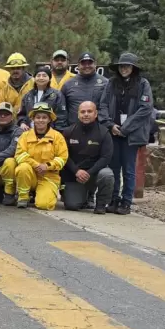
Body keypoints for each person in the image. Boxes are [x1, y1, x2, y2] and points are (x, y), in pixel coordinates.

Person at [99, 53, 154, 215]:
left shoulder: (143, 84)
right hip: (113, 131)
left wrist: (126, 128)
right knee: (114, 167)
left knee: (129, 169)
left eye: (128, 66)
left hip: (132, 135)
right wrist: (110, 125)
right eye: (122, 66)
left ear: (133, 68)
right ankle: (114, 199)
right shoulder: (111, 83)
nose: (124, 69)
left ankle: (126, 201)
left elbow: (145, 109)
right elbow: (102, 105)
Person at [14, 103, 69, 210]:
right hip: (31, 174)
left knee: (44, 205)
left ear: (49, 120)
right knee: (22, 167)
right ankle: (23, 197)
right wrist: (37, 165)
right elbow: (20, 155)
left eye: (44, 117)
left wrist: (47, 166)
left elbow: (62, 158)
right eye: (38, 117)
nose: (41, 120)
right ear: (33, 119)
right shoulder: (25, 136)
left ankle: (38, 195)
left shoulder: (57, 137)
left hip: (49, 177)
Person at [62, 101, 114, 213]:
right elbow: (64, 155)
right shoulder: (68, 132)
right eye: (83, 112)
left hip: (94, 174)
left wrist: (89, 172)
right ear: (78, 114)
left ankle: (100, 204)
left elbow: (106, 158)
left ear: (96, 114)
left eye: (89, 111)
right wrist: (76, 171)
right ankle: (85, 197)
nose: (86, 114)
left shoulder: (104, 133)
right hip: (75, 175)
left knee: (107, 174)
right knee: (72, 205)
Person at [62, 52, 108, 122]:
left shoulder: (105, 83)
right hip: (74, 128)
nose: (87, 66)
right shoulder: (68, 84)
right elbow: (62, 109)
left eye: (90, 63)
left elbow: (109, 106)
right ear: (78, 65)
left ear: (95, 64)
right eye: (83, 63)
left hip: (99, 127)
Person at [20, 66, 68, 130]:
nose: (41, 78)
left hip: (50, 132)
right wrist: (22, 123)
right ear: (34, 78)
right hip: (30, 132)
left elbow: (61, 116)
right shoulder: (28, 95)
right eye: (38, 75)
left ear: (50, 78)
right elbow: (22, 114)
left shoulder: (57, 95)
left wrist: (56, 132)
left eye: (44, 76)